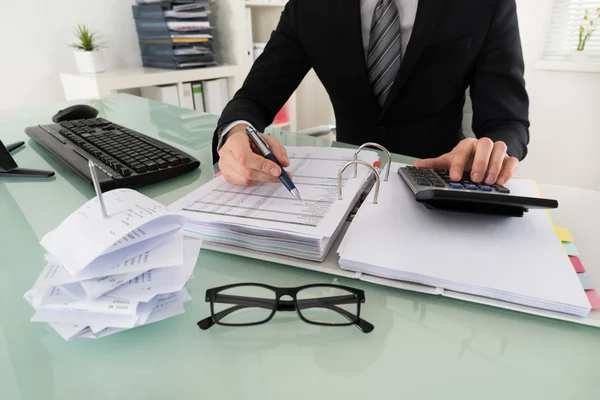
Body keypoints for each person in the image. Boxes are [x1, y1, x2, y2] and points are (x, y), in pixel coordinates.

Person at [213, 0, 529, 187]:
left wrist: (489, 152)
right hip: (345, 184)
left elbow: (507, 121)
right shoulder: (308, 6)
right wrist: (238, 133)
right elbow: (253, 99)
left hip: (441, 181)